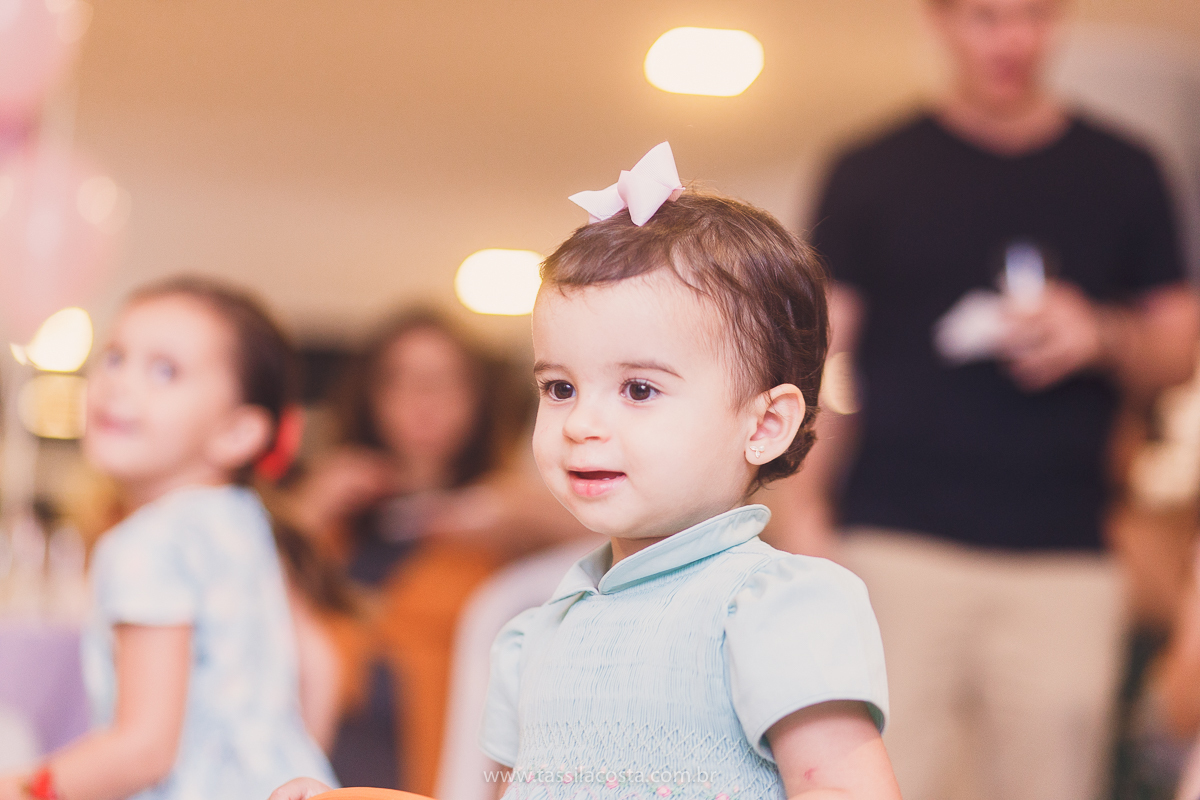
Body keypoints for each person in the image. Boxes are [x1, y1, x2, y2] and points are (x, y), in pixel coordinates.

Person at [270, 143, 900, 800]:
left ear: (764, 425)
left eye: (639, 389)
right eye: (561, 388)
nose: (580, 423)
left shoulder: (775, 604)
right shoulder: (535, 631)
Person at [770, 1, 1200, 798]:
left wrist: (1102, 334)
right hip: (896, 541)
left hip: (1067, 552)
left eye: (1033, 16)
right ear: (939, 22)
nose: (1012, 40)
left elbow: (1181, 347)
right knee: (880, 776)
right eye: (986, 17)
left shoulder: (1126, 171)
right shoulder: (870, 169)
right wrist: (803, 514)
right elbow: (816, 356)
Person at [0, 278, 338, 800]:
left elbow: (143, 751)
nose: (119, 384)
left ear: (237, 433)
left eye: (164, 371)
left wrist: (22, 788)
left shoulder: (145, 545)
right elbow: (320, 665)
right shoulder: (245, 521)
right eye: (114, 358)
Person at [287, 309, 586, 793]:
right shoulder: (333, 517)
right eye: (400, 380)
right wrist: (310, 507)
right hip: (314, 765)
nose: (422, 400)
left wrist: (500, 510)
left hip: (437, 775)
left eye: (444, 382)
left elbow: (611, 530)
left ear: (478, 398)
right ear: (370, 395)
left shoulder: (505, 518)